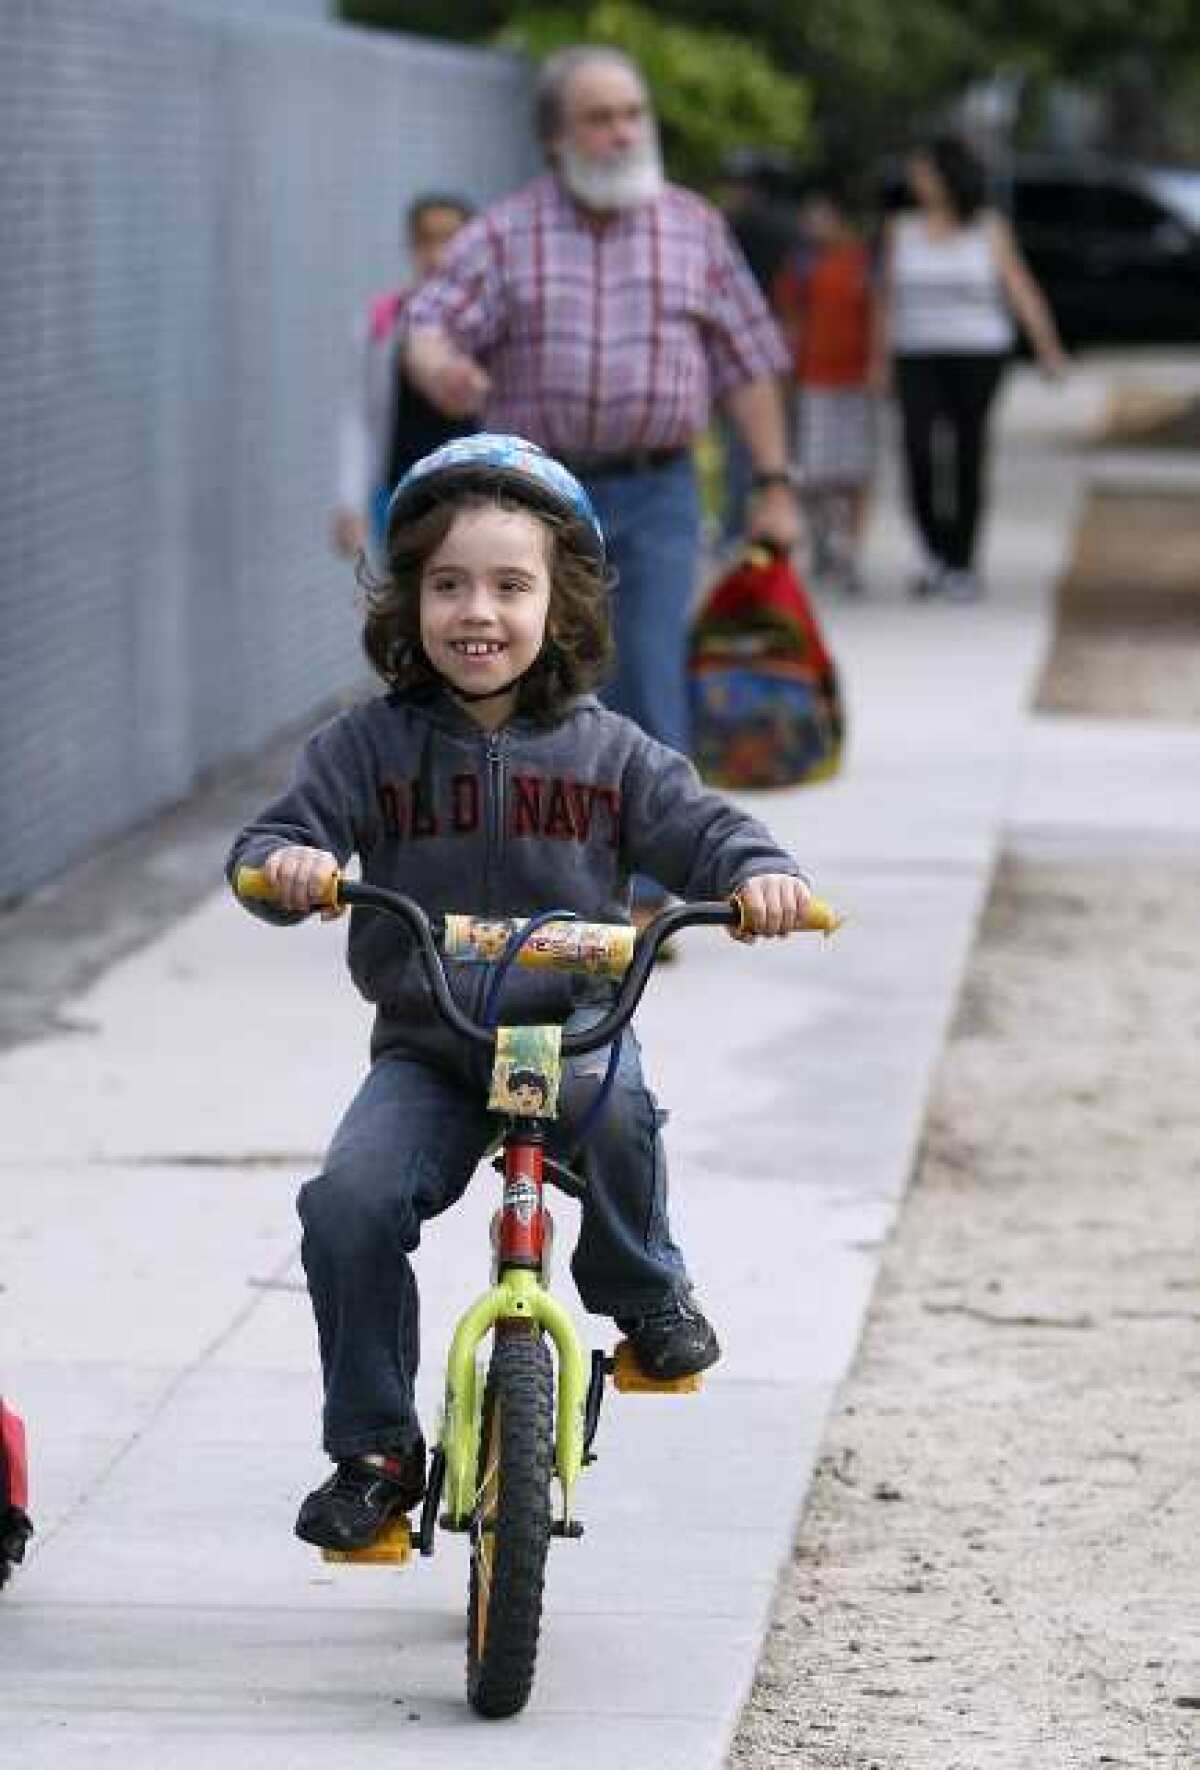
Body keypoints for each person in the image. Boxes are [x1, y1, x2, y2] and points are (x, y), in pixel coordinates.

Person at [226, 435, 816, 1552]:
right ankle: (375, 1452)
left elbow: (711, 832)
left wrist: (760, 877)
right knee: (346, 1205)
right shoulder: (368, 746)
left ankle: (644, 1295)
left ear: (564, 602)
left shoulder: (611, 754)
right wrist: (289, 869)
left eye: (510, 585)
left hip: (571, 1032)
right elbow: (274, 841)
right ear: (410, 602)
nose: (476, 612)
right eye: (448, 585)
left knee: (625, 1112)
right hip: (431, 1043)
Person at [401, 47, 801, 918]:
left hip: (657, 491)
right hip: (532, 503)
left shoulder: (693, 227)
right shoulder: (506, 234)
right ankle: (520, 877)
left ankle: (649, 897)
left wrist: (773, 481)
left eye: (633, 114)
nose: (622, 133)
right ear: (555, 136)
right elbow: (426, 325)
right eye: (599, 117)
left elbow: (749, 362)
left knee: (650, 682)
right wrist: (442, 371)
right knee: (525, 681)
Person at [872, 134, 1068, 602]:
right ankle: (936, 550)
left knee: (967, 452)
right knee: (918, 452)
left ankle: (962, 561)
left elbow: (1019, 286)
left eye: (923, 171)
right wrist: (877, 361)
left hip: (977, 352)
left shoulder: (988, 228)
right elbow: (885, 301)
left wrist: (1047, 346)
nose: (916, 180)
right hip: (916, 352)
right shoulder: (901, 230)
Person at [330, 192, 476, 562]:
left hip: (479, 495)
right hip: (400, 492)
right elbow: (360, 414)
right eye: (425, 240)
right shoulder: (383, 321)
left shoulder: (488, 321)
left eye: (449, 240)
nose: (436, 253)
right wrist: (350, 501)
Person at [773, 174, 878, 596]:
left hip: (855, 378)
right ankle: (824, 538)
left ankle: (851, 551)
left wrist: (878, 365)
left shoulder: (864, 261)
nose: (810, 223)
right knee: (813, 473)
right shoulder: (801, 264)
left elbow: (880, 313)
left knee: (857, 471)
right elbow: (789, 318)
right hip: (813, 377)